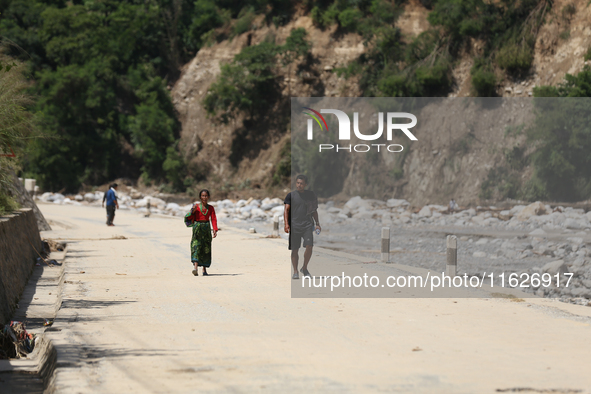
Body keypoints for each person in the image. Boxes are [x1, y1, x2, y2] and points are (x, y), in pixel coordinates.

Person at [284, 174, 321, 279]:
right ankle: (295, 271)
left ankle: (304, 268)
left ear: (305, 184)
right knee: (295, 249)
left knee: (309, 246)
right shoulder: (290, 196)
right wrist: (286, 224)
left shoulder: (310, 195)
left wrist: (317, 224)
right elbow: (286, 210)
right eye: (297, 183)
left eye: (301, 183)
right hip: (294, 225)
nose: (299, 185)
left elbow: (314, 211)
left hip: (307, 225)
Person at [184, 189, 218, 276]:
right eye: (203, 196)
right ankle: (195, 268)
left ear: (209, 197)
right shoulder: (196, 206)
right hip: (197, 229)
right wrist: (193, 211)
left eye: (206, 196)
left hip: (206, 229)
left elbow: (213, 218)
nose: (204, 197)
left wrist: (215, 229)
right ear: (200, 197)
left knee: (206, 248)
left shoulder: (211, 208)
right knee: (196, 246)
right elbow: (189, 216)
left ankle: (204, 269)